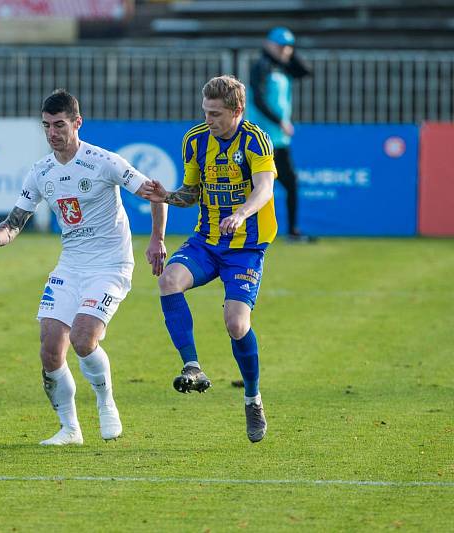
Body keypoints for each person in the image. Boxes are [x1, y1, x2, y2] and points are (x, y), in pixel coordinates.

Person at [0, 89, 166, 446]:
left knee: (82, 338)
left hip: (111, 264)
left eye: (59, 124)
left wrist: (156, 239)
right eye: (46, 126)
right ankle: (70, 429)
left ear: (77, 123)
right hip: (71, 265)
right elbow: (16, 221)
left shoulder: (104, 161)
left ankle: (106, 402)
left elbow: (155, 193)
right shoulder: (41, 171)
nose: (52, 133)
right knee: (50, 347)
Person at [142, 75, 276, 443]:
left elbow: (265, 188)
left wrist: (242, 214)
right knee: (169, 281)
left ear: (237, 111)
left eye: (216, 114)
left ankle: (252, 398)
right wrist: (167, 196)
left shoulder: (255, 140)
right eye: (205, 112)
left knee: (236, 324)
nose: (209, 120)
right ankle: (193, 366)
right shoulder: (195, 140)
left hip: (246, 247)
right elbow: (191, 193)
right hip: (207, 241)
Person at [247, 26, 315, 242]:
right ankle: (246, 231)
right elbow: (258, 99)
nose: (285, 50)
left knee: (290, 183)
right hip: (261, 138)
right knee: (254, 186)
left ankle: (293, 231)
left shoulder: (284, 67)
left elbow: (305, 70)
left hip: (279, 139)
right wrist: (280, 121)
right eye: (280, 46)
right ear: (268, 45)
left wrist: (289, 53)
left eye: (288, 47)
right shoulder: (262, 66)